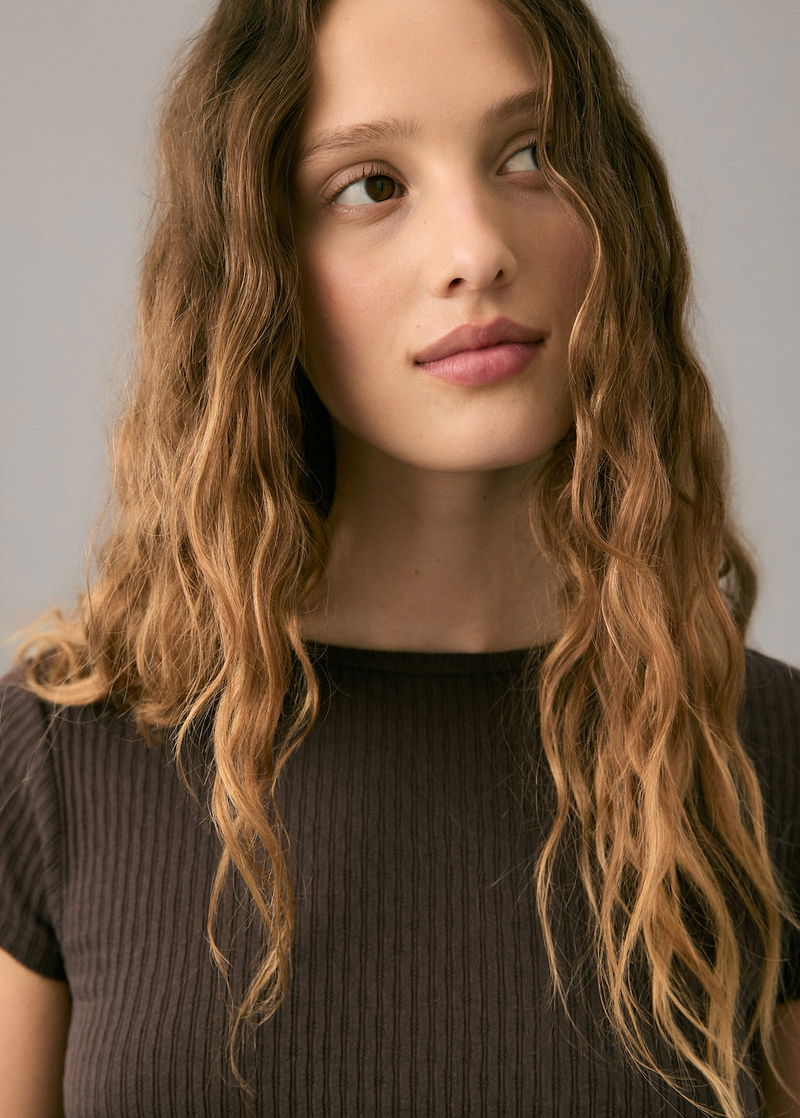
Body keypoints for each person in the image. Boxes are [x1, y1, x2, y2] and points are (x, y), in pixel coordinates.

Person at [0, 0, 798, 1114]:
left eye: (532, 154)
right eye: (371, 185)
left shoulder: (765, 758)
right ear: (255, 266)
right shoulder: (60, 756)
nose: (477, 251)